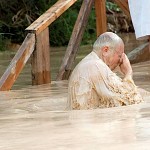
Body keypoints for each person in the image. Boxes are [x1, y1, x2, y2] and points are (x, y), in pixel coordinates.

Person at [67, 32, 143, 110]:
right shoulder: (96, 65)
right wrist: (128, 72)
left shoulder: (85, 63)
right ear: (105, 50)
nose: (120, 60)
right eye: (120, 56)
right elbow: (131, 99)